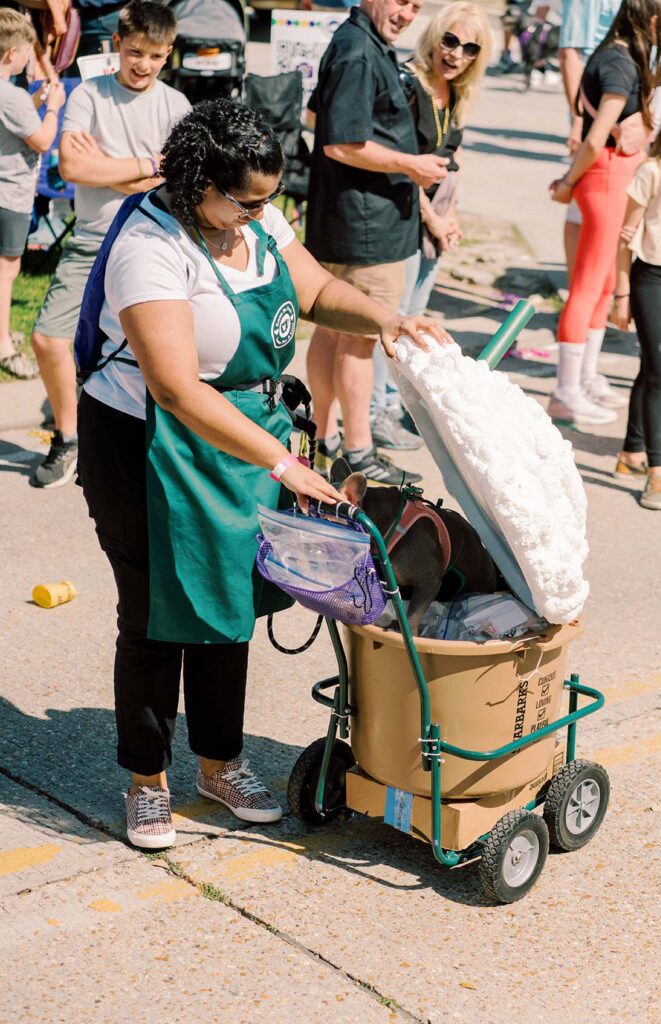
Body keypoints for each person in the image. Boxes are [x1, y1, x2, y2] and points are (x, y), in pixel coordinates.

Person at [76, 99, 452, 849]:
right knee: (155, 615)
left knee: (229, 603)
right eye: (242, 201)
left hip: (245, 437)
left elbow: (312, 290)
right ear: (192, 183)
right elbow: (177, 388)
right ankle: (146, 780)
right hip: (150, 445)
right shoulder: (150, 248)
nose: (258, 214)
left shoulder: (253, 219)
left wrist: (387, 318)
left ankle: (220, 761)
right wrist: (281, 460)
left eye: (267, 200)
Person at [30, 0, 190, 489]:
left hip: (153, 242)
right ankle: (68, 436)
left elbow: (176, 182)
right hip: (92, 238)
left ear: (169, 55)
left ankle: (161, 442)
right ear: (116, 45)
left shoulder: (176, 107)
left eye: (156, 56)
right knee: (48, 338)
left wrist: (112, 165)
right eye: (135, 52)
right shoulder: (89, 97)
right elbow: (75, 169)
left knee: (156, 353)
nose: (143, 64)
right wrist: (146, 166)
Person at [304, 0, 449, 484]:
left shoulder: (357, 43)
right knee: (361, 340)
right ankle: (357, 451)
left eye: (416, 6)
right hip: (366, 226)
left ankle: (322, 442)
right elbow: (340, 143)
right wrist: (413, 165)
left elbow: (312, 117)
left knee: (331, 332)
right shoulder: (358, 51)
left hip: (346, 218)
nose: (407, 13)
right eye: (400, 0)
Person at [370, 0, 491, 445]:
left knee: (414, 317)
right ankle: (374, 413)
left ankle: (391, 404)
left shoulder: (456, 92)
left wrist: (450, 214)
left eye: (470, 48)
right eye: (451, 40)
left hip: (434, 218)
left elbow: (449, 162)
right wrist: (433, 218)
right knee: (394, 319)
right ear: (434, 36)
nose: (457, 53)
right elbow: (403, 164)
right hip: (405, 212)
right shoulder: (409, 84)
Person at [548, 0, 661, 427]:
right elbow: (596, 137)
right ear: (651, 19)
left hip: (612, 175)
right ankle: (565, 390)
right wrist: (568, 182)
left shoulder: (618, 55)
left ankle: (583, 377)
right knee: (587, 285)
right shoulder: (619, 63)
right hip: (605, 176)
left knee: (601, 285)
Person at [611, 89, 661, 509]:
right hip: (650, 277)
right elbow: (625, 240)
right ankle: (656, 471)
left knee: (651, 370)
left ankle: (628, 453)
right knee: (660, 370)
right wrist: (622, 293)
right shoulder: (652, 171)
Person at [0, 7, 65, 379]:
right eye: (28, 51)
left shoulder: (11, 96)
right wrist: (52, 108)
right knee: (7, 271)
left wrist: (36, 103)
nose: (31, 58)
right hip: (10, 194)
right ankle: (5, 347)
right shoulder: (12, 97)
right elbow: (41, 140)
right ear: (13, 54)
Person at [558, 0, 621, 280]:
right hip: (597, 105)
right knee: (582, 204)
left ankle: (598, 293)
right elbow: (570, 52)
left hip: (632, 106)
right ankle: (578, 292)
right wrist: (579, 121)